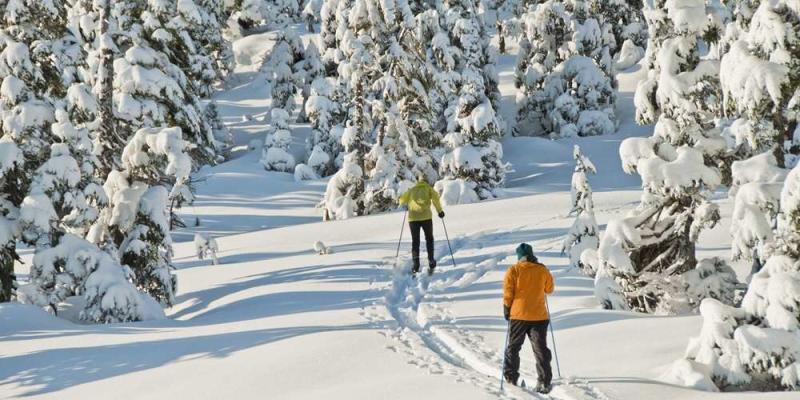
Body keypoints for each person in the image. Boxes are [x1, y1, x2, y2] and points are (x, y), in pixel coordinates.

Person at [503, 243, 555, 394]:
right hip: (539, 316)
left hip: (518, 316)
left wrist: (506, 309)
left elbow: (508, 292)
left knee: (513, 347)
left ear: (519, 257)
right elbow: (549, 289)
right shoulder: (542, 269)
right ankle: (544, 381)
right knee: (540, 349)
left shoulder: (513, 270)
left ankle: (511, 378)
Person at [398, 177, 444, 275]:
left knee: (415, 241)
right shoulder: (428, 188)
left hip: (413, 219)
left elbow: (401, 200)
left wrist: (407, 202)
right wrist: (440, 211)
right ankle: (431, 260)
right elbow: (436, 199)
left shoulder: (412, 190)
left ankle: (416, 265)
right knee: (429, 238)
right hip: (426, 217)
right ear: (426, 182)